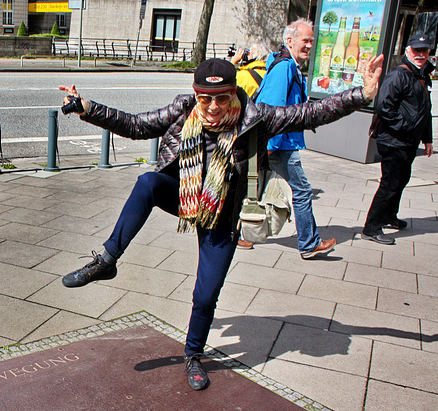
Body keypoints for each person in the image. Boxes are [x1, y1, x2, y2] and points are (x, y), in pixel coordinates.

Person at [58, 54, 383, 391]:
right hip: (185, 197)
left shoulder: (257, 117)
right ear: (196, 95)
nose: (212, 107)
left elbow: (310, 112)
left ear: (233, 94)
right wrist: (87, 108)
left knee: (206, 294)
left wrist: (362, 95)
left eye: (221, 98)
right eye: (205, 98)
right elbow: (137, 126)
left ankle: (193, 355)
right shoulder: (183, 109)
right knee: (147, 183)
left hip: (222, 216)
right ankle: (107, 261)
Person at [255, 18, 337, 259]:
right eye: (305, 40)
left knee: (256, 188)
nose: (310, 45)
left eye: (312, 41)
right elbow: (272, 108)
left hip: (280, 141)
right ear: (289, 40)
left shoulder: (288, 64)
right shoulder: (285, 67)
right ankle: (309, 243)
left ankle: (241, 234)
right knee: (302, 190)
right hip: (281, 143)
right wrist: (269, 146)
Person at [362, 34, 434, 245]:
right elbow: (384, 107)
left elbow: (425, 110)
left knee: (401, 181)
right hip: (394, 141)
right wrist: (406, 128)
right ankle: (371, 227)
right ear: (408, 51)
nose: (421, 54)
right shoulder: (398, 76)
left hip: (408, 141)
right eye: (416, 50)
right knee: (389, 184)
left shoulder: (421, 75)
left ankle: (389, 216)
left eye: (425, 51)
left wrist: (427, 138)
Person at [231, 44, 269, 249]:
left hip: (246, 138)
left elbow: (224, 93)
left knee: (244, 186)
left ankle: (242, 232)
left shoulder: (245, 76)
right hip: (268, 135)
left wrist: (233, 63)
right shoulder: (270, 72)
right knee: (257, 183)